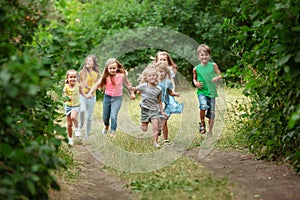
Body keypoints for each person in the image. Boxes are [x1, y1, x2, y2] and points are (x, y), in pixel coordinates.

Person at [87, 58, 135, 137]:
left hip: (117, 98)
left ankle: (113, 132)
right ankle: (106, 126)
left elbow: (128, 85)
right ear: (107, 69)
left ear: (117, 68)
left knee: (113, 116)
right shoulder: (105, 77)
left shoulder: (122, 76)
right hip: (107, 98)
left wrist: (132, 93)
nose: (112, 70)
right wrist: (90, 93)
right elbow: (96, 85)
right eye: (110, 68)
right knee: (105, 117)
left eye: (114, 68)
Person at [131, 66, 168, 148]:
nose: (152, 77)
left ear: (156, 76)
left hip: (154, 110)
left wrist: (162, 111)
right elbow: (133, 89)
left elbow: (159, 102)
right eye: (150, 76)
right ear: (146, 78)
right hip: (145, 110)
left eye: (154, 75)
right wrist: (133, 94)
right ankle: (143, 124)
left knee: (156, 127)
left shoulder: (159, 89)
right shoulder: (143, 86)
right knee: (144, 129)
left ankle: (155, 142)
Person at [192, 44, 222, 135]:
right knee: (203, 106)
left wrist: (216, 78)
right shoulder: (196, 68)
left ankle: (210, 131)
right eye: (202, 55)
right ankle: (202, 122)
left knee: (211, 113)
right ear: (198, 57)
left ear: (209, 55)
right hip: (202, 92)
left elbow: (220, 75)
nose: (204, 57)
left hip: (212, 92)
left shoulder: (213, 65)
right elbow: (194, 78)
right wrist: (196, 83)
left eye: (206, 54)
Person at [155, 62, 180, 146]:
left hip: (165, 105)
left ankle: (166, 140)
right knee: (156, 122)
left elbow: (170, 92)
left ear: (166, 72)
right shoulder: (153, 82)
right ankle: (156, 140)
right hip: (155, 105)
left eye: (162, 71)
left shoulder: (168, 82)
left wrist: (175, 94)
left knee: (164, 122)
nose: (160, 73)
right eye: (158, 71)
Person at [79, 55, 101, 139]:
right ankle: (81, 124)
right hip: (83, 96)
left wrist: (88, 87)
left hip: (92, 96)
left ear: (93, 63)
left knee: (89, 116)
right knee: (82, 110)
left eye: (90, 61)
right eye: (87, 60)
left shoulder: (96, 74)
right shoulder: (82, 73)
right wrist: (83, 87)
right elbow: (80, 86)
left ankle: (87, 133)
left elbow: (96, 87)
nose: (88, 62)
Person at [63, 69, 86, 146]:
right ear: (67, 78)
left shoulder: (78, 85)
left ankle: (77, 128)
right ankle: (70, 139)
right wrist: (67, 97)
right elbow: (63, 96)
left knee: (73, 117)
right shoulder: (66, 87)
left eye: (74, 77)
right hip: (68, 107)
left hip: (76, 106)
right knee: (69, 124)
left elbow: (82, 92)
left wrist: (87, 96)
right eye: (71, 77)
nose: (73, 78)